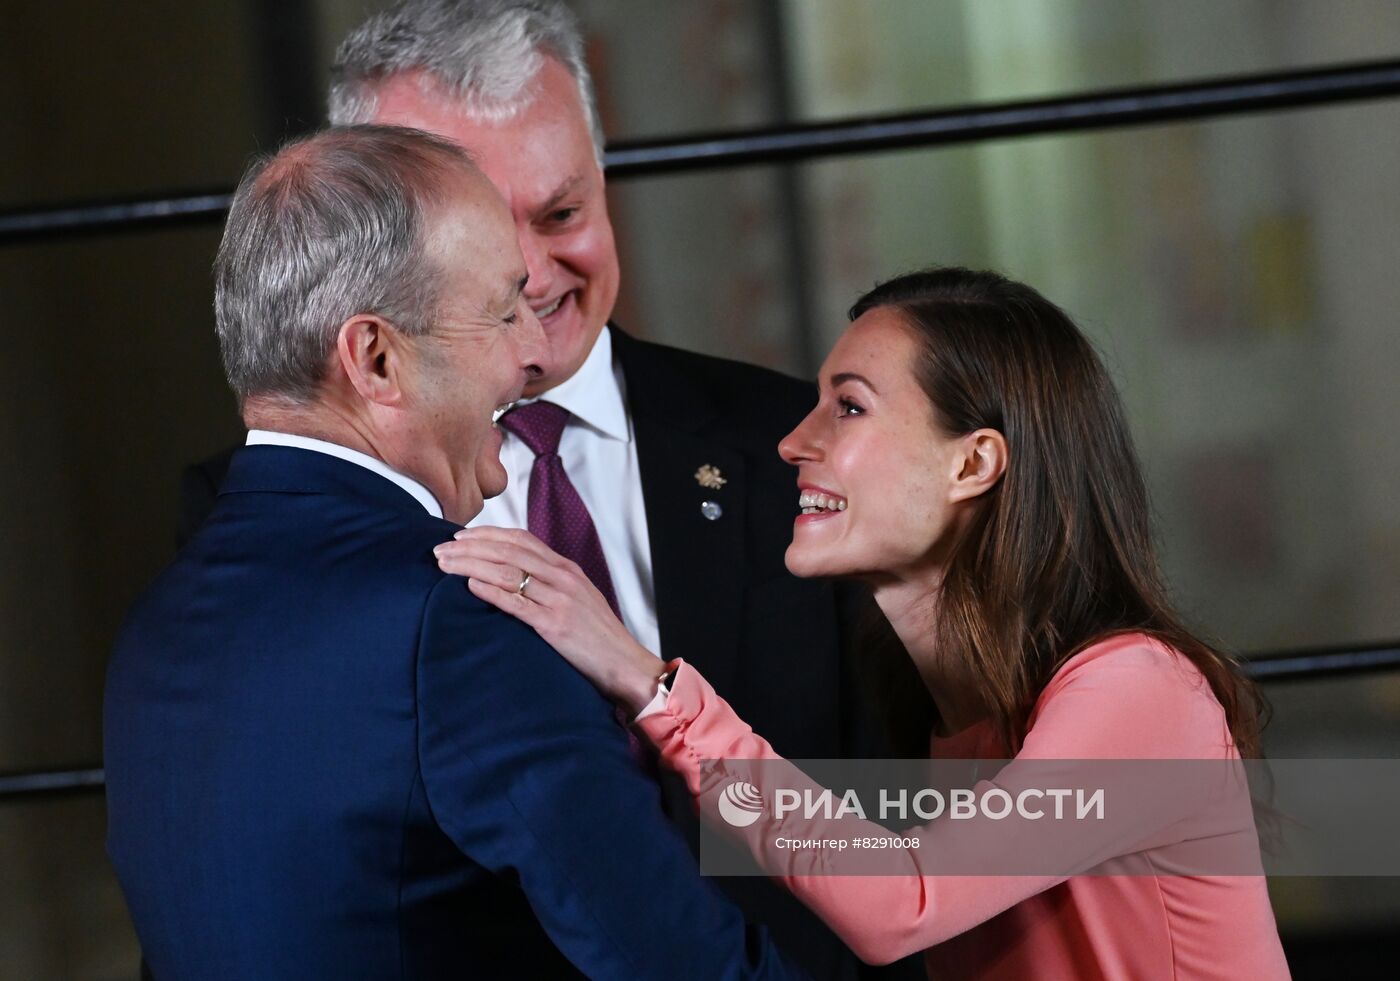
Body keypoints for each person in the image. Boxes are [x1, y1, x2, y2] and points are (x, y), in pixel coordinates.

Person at [176, 4, 897, 976]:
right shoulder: (266, 520)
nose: (528, 275)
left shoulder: (791, 449)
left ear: (604, 182)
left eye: (561, 214)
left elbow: (934, 824)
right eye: (477, 235)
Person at [434, 267, 1293, 979]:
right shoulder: (949, 722)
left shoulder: (1140, 689)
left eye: (847, 407)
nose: (790, 442)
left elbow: (899, 903)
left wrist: (648, 681)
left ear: (974, 463)